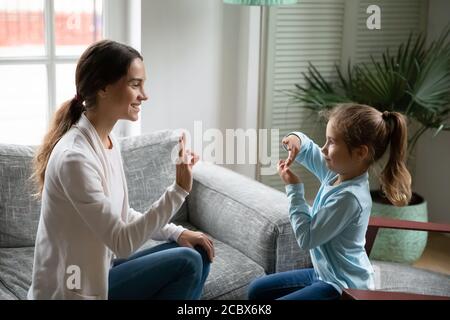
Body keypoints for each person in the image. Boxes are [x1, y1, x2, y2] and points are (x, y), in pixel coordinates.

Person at [28, 40, 214, 300]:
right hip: (71, 291)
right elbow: (122, 243)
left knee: (197, 252)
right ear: (103, 87)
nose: (144, 95)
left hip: (101, 273)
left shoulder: (105, 141)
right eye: (135, 84)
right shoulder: (75, 158)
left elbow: (120, 214)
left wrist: (178, 232)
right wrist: (178, 190)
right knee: (187, 261)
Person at [248, 103, 412, 300]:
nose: (324, 149)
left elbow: (307, 238)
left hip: (343, 286)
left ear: (361, 152)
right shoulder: (336, 173)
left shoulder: (350, 198)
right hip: (323, 275)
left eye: (331, 142)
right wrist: (295, 139)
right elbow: (309, 149)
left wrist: (294, 188)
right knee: (256, 290)